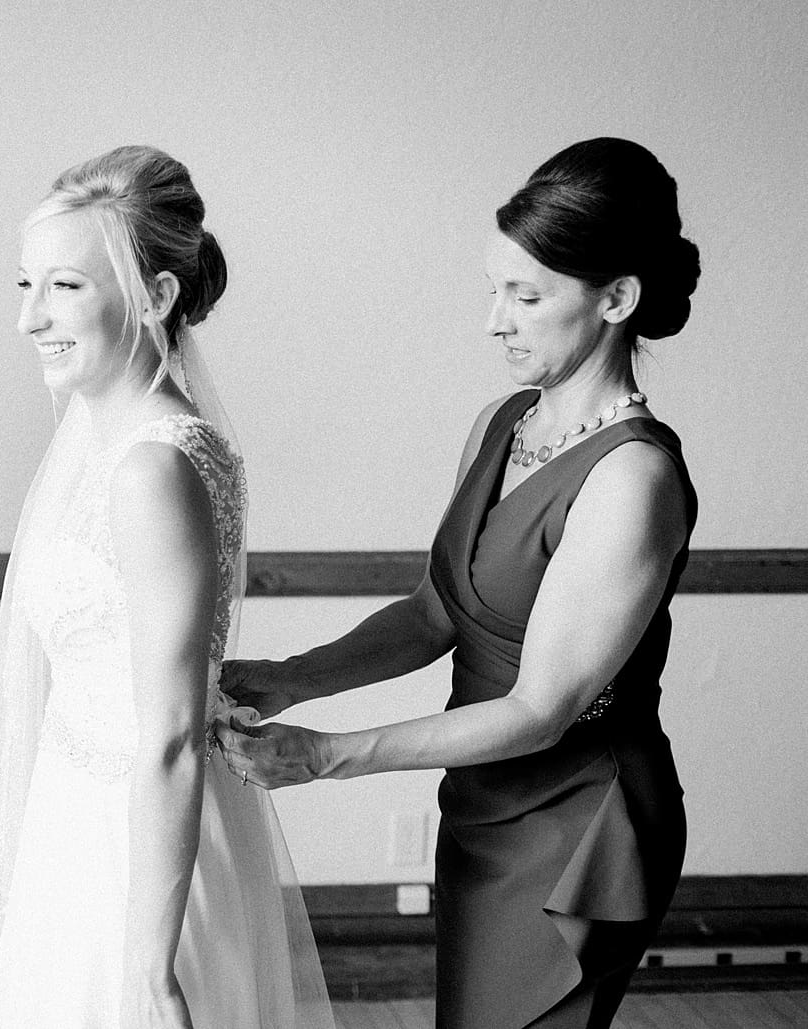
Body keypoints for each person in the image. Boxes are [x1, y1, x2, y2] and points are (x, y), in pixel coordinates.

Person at [215, 137, 701, 1029]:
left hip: (580, 827)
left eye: (526, 295)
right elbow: (436, 611)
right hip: (483, 804)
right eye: (493, 290)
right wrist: (290, 676)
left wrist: (324, 754)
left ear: (616, 298)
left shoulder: (632, 478)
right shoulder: (501, 421)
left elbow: (539, 711)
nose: (495, 321)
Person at [0, 145, 332, 1029]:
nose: (28, 318)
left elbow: (169, 735)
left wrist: (150, 968)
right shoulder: (112, 443)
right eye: (25, 285)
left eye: (63, 286)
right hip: (77, 817)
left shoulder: (152, 466)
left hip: (138, 852)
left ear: (156, 295)